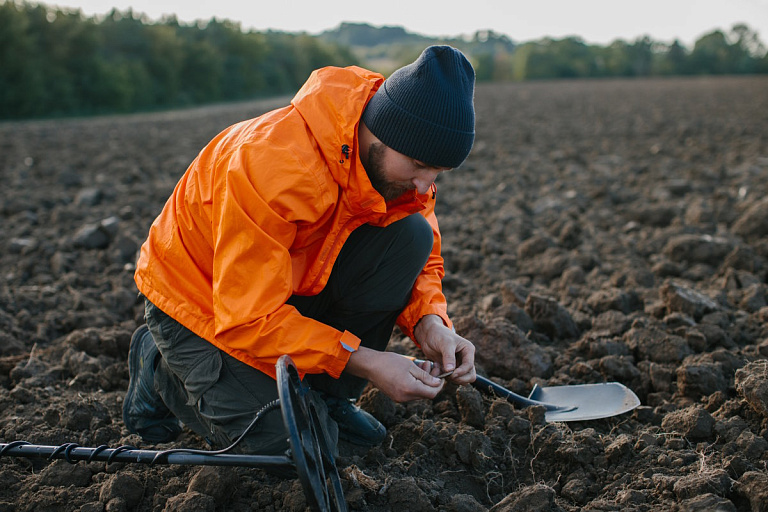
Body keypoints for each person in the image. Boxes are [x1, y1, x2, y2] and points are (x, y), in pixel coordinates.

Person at [123, 45, 477, 455]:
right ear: (381, 131)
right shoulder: (276, 166)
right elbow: (247, 317)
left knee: (411, 234)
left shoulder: (394, 178)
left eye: (439, 173)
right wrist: (366, 360)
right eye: (418, 164)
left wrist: (430, 324)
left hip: (280, 292)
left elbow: (421, 260)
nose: (424, 184)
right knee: (295, 448)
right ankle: (158, 365)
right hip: (201, 305)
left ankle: (324, 394)